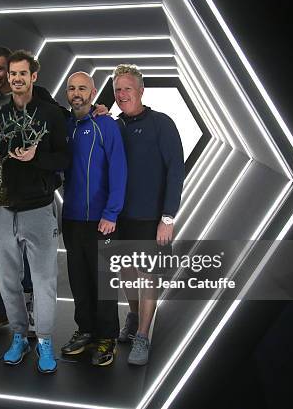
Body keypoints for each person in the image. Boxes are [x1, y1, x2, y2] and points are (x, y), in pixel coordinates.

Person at [0, 50, 69, 374]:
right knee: (8, 281)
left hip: (38, 209)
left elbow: (64, 160)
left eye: (23, 73)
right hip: (2, 211)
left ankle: (45, 341)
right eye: (12, 74)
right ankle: (19, 337)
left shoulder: (51, 114)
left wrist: (36, 156)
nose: (16, 78)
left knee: (45, 280)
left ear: (33, 76)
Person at [113, 64, 185, 365]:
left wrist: (167, 218)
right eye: (118, 89)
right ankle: (132, 315)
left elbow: (176, 171)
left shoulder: (162, 124)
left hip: (150, 218)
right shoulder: (114, 126)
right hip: (119, 217)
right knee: (125, 273)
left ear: (141, 91)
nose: (122, 94)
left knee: (146, 276)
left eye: (127, 88)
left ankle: (143, 335)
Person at [60, 72, 127, 366]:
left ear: (93, 92)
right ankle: (85, 330)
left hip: (102, 220)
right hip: (72, 218)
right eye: (72, 88)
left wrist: (111, 213)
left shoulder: (105, 124)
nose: (77, 93)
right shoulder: (66, 125)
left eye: (82, 89)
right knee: (79, 278)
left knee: (103, 280)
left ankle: (107, 336)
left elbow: (119, 170)